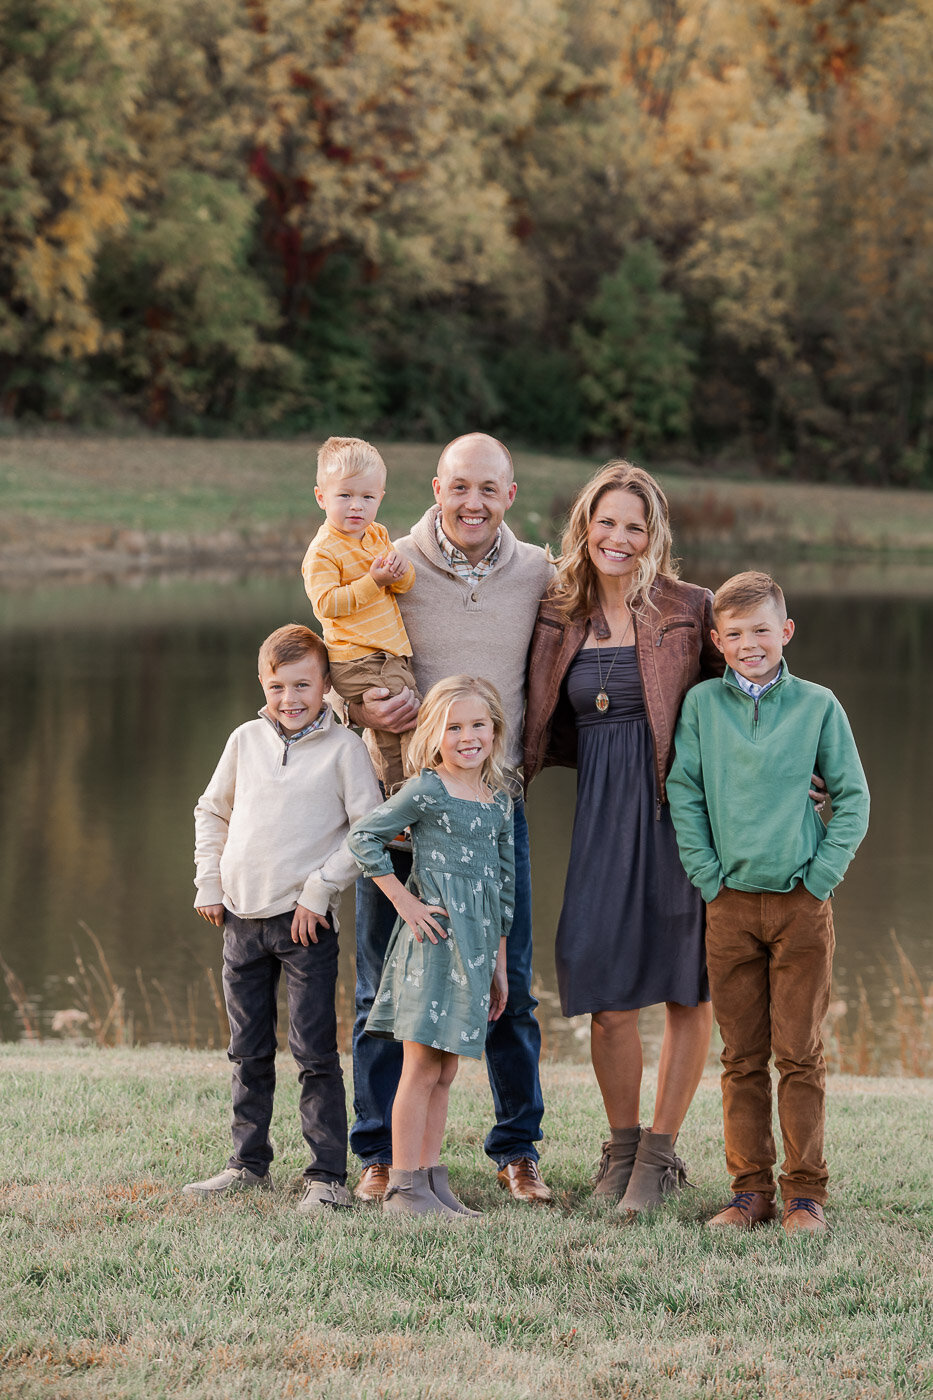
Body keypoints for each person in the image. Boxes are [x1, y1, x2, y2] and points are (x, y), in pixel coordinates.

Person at [348, 433, 556, 1204]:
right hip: (403, 806)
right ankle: (379, 1154)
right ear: (435, 487)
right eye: (458, 486)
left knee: (512, 986)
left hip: (493, 809)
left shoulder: (538, 569)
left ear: (509, 492)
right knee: (381, 988)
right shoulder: (388, 562)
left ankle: (515, 1148)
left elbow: (611, 625)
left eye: (488, 489)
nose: (472, 502)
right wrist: (358, 702)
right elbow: (341, 655)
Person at [524, 460, 722, 1217]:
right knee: (602, 984)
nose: (618, 537)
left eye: (633, 526)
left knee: (683, 983)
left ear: (654, 535)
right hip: (601, 812)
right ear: (583, 525)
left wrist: (794, 777)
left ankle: (659, 1156)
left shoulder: (688, 606)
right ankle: (620, 1144)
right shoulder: (554, 611)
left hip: (677, 812)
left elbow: (746, 691)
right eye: (605, 521)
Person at [667, 571, 870, 1234]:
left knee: (798, 1051)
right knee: (740, 1055)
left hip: (799, 906)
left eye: (761, 630)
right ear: (716, 641)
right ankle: (749, 1191)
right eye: (734, 634)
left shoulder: (817, 706)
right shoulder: (701, 707)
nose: (749, 643)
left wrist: (819, 879)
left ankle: (804, 1194)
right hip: (727, 905)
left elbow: (852, 800)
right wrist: (706, 878)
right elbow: (685, 794)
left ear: (784, 632)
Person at [185, 624, 381, 1211]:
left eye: (303, 685)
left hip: (305, 926)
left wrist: (319, 891)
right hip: (240, 919)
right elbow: (211, 810)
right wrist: (209, 881)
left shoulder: (346, 750)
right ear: (262, 685)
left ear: (326, 685)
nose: (290, 698)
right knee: (247, 1049)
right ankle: (247, 1163)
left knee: (314, 1052)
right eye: (277, 686)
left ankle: (327, 1177)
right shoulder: (246, 740)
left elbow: (366, 832)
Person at [347, 676, 514, 1218]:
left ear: (494, 730)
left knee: (447, 1070)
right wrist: (404, 902)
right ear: (435, 734)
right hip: (432, 944)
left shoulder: (499, 802)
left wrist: (499, 966)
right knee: (420, 1068)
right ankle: (404, 1185)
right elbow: (364, 838)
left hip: (475, 950)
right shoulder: (427, 790)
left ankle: (432, 1180)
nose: (467, 737)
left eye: (477, 725)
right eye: (454, 726)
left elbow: (504, 891)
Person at [302, 436, 419, 793]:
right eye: (345, 496)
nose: (357, 506)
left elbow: (402, 587)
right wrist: (374, 580)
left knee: (398, 728)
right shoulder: (323, 551)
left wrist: (402, 570)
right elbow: (326, 605)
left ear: (380, 498)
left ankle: (398, 801)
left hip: (386, 655)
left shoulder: (378, 535)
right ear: (322, 497)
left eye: (368, 497)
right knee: (407, 724)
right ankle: (404, 801)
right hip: (357, 659)